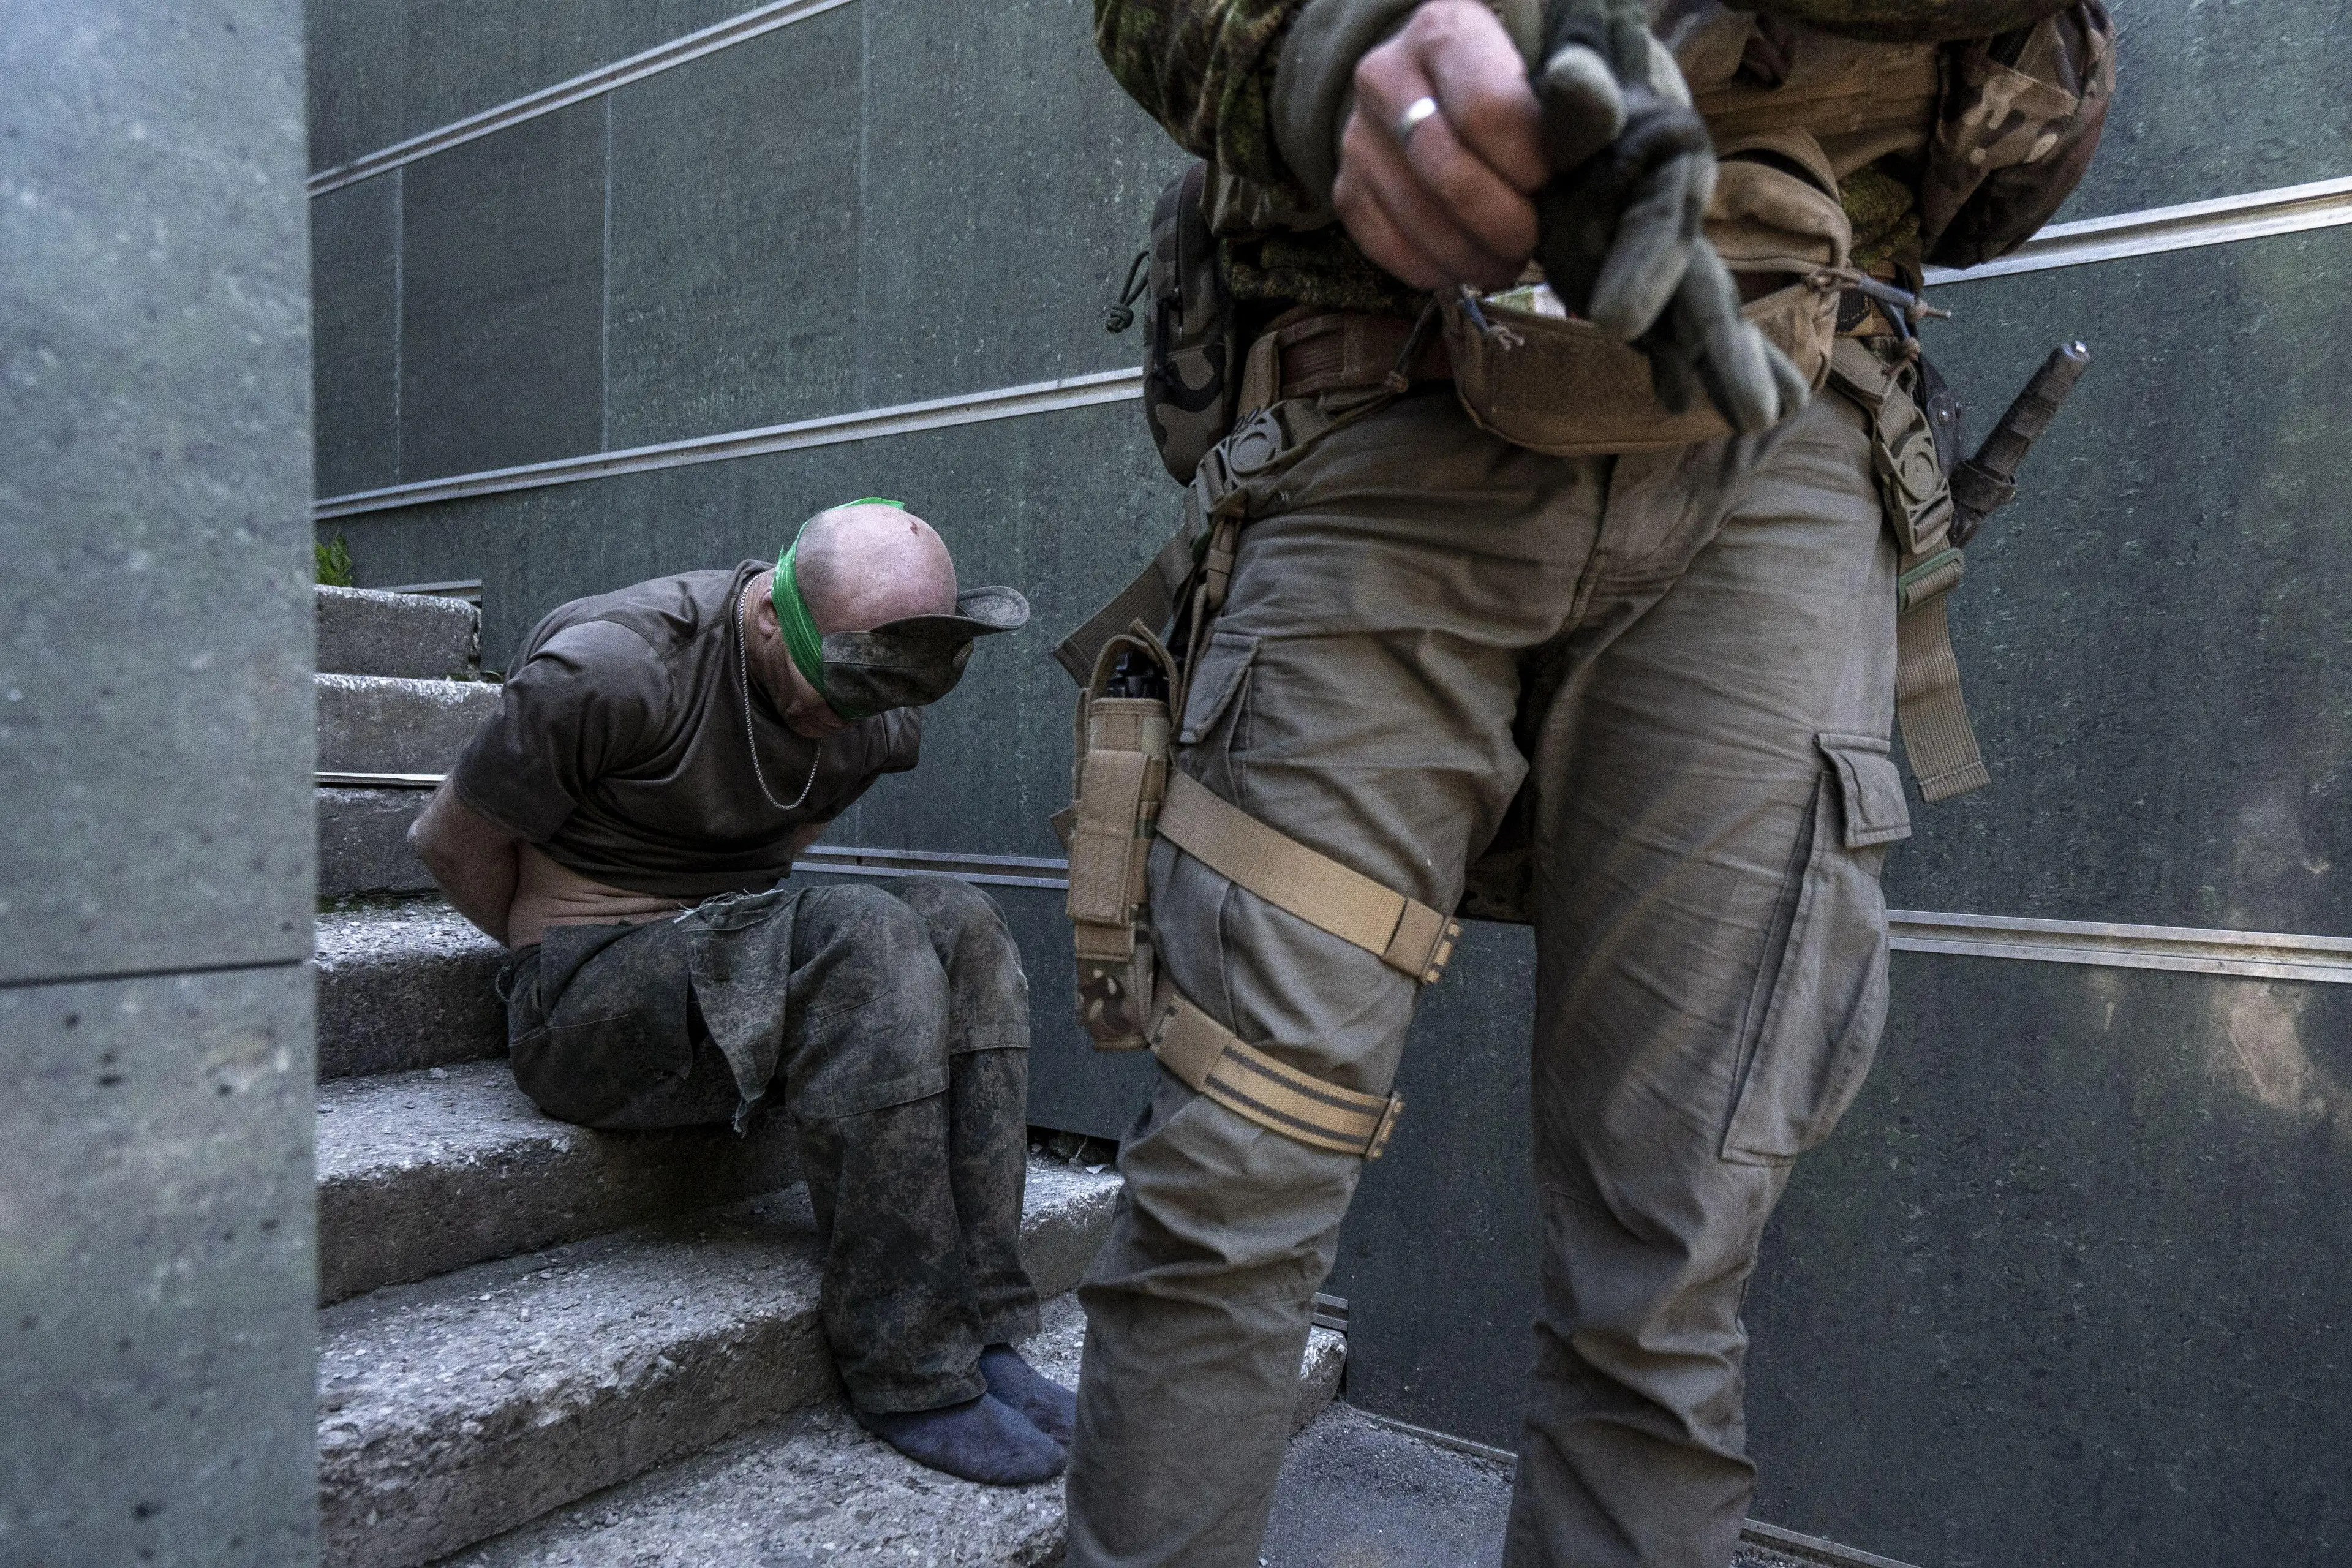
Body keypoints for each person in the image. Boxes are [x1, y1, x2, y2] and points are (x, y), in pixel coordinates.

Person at [1065, 1, 2111, 1562]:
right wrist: (1340, 50)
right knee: (1229, 1195)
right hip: (1379, 397)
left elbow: (2014, 165)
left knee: (1669, 1273)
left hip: (1783, 427)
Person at [408, 500, 1075, 1487]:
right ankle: (908, 1369)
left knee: (961, 919)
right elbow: (449, 844)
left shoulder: (878, 716)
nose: (841, 719)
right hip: (585, 996)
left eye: (866, 700)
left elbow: (785, 837)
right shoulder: (613, 669)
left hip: (725, 961)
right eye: (830, 689)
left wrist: (753, 971)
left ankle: (982, 1324)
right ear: (770, 613)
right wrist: (551, 961)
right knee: (861, 931)